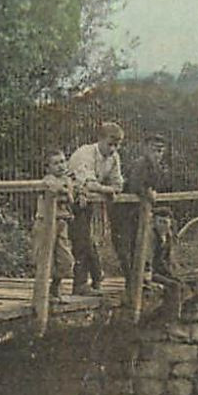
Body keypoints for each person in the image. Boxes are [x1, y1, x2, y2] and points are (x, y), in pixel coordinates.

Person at [65, 122, 125, 296]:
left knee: (85, 239)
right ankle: (82, 283)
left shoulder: (114, 157)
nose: (113, 148)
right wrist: (107, 190)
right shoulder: (85, 153)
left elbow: (118, 183)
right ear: (100, 139)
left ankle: (96, 277)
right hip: (71, 199)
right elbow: (89, 184)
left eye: (117, 144)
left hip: (87, 201)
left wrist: (108, 188)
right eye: (110, 144)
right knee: (80, 241)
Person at [112, 132, 168, 283]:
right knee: (126, 247)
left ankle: (139, 279)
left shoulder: (157, 168)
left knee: (140, 243)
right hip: (124, 212)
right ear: (146, 149)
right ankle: (132, 283)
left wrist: (151, 192)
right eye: (155, 150)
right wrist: (147, 192)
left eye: (161, 151)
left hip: (138, 212)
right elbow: (134, 185)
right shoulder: (140, 164)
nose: (158, 154)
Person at [34, 150, 76, 300]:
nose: (60, 166)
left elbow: (74, 195)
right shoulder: (48, 179)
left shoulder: (68, 179)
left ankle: (55, 286)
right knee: (45, 258)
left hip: (61, 223)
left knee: (66, 260)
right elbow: (52, 187)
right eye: (56, 163)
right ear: (48, 167)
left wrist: (74, 191)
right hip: (45, 223)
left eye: (63, 162)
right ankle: (41, 295)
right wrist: (67, 190)